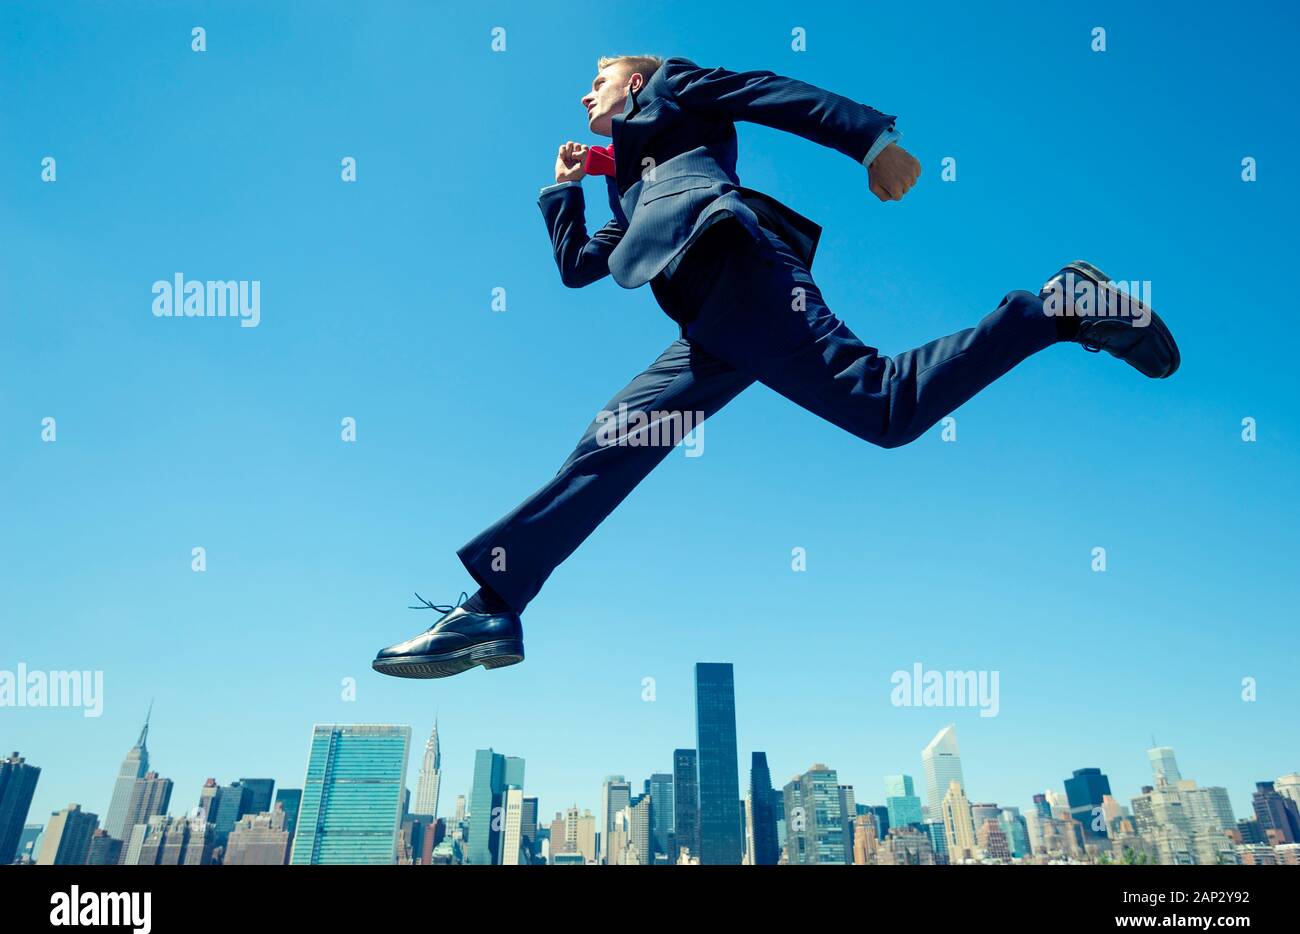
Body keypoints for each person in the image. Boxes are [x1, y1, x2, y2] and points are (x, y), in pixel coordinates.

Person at [371, 54, 1179, 680]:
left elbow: (771, 90)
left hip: (745, 275)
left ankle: (1056, 307)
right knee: (613, 440)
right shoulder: (631, 193)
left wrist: (871, 141)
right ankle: (495, 604)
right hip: (710, 325)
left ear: (638, 79)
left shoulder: (676, 94)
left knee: (885, 407)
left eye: (600, 78)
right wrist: (567, 189)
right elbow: (582, 266)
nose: (587, 95)